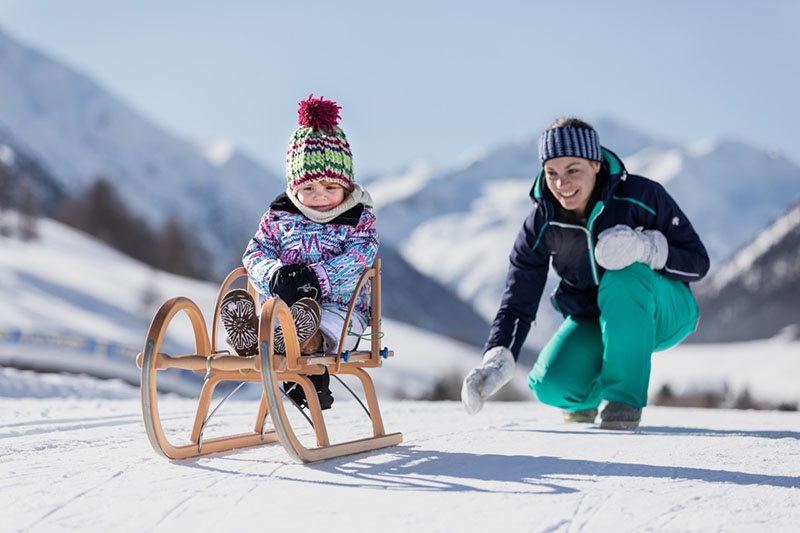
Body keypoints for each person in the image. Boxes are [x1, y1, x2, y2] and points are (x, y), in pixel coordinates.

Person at [461, 117, 710, 429]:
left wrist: (646, 248)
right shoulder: (542, 222)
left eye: (573, 170)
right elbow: (517, 299)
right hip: (596, 319)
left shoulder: (641, 196)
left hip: (666, 309)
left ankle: (623, 402)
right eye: (551, 173)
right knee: (551, 385)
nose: (561, 184)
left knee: (622, 276)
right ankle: (588, 397)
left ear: (595, 164)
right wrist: (498, 356)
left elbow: (698, 262)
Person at [220, 94, 378, 410]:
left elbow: (362, 256)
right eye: (309, 189)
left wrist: (318, 278)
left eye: (330, 188)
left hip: (340, 309)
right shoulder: (280, 216)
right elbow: (255, 253)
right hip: (282, 305)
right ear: (294, 188)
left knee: (322, 326)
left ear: (346, 187)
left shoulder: (357, 219)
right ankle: (252, 335)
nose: (319, 197)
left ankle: (306, 340)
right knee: (280, 321)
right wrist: (274, 273)